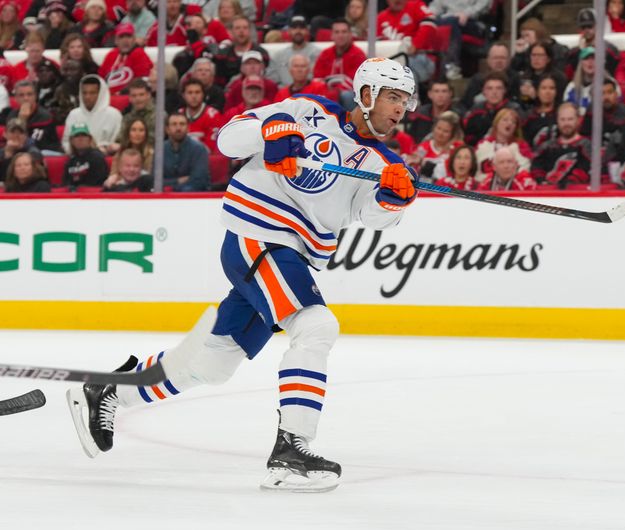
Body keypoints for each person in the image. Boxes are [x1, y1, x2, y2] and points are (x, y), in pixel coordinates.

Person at [67, 57, 420, 493]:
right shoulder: (308, 110)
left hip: (292, 255)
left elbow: (369, 215)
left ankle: (108, 391)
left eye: (405, 100)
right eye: (392, 97)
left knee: (212, 364)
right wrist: (271, 130)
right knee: (315, 325)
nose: (400, 108)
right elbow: (228, 139)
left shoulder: (384, 163)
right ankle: (291, 450)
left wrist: (391, 199)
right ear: (366, 94)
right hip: (258, 234)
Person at [530, 102, 591, 188]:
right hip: (547, 192)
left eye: (570, 119)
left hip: (576, 192)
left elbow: (585, 169)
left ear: (578, 120)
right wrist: (541, 180)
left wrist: (569, 183)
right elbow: (536, 167)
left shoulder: (586, 145)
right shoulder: (546, 146)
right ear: (557, 121)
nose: (566, 123)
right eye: (562, 119)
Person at [312, 18, 367, 109]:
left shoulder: (358, 54)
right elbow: (317, 78)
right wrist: (327, 91)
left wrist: (335, 91)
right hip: (327, 93)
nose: (340, 35)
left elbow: (356, 83)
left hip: (350, 95)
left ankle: (350, 119)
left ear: (350, 34)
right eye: (337, 32)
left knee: (346, 96)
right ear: (332, 35)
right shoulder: (325, 54)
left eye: (344, 32)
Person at [62, 75, 123, 156]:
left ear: (101, 94)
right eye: (84, 93)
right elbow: (66, 142)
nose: (87, 97)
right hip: (78, 157)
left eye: (92, 93)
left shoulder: (114, 114)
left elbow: (118, 142)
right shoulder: (74, 114)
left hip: (105, 157)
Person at [474, 108, 532, 183]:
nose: (509, 123)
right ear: (496, 123)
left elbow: (524, 170)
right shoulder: (483, 145)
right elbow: (477, 171)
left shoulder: (522, 147)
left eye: (513, 122)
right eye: (505, 120)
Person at [6, 80, 62, 154]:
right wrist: (22, 119)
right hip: (18, 153)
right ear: (16, 98)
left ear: (35, 96)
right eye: (21, 95)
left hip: (44, 152)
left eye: (29, 94)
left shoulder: (45, 116)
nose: (26, 98)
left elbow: (44, 144)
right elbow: (14, 141)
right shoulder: (12, 115)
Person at [406, 111, 462, 183]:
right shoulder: (424, 146)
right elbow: (413, 167)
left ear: (452, 134)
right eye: (438, 128)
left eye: (446, 131)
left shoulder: (457, 148)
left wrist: (423, 163)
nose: (440, 133)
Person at [98, 23, 154, 95]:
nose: (125, 40)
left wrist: (120, 92)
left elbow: (141, 81)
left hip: (130, 97)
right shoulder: (111, 55)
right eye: (121, 37)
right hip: (108, 96)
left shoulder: (139, 54)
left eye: (128, 36)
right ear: (116, 40)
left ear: (134, 39)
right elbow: (101, 78)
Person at [265, 15, 321, 87]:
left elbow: (320, 79)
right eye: (294, 28)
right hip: (284, 92)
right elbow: (271, 80)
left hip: (310, 92)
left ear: (307, 31)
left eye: (302, 28)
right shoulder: (278, 56)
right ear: (288, 31)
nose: (298, 31)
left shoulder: (318, 54)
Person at [405, 80, 464, 144]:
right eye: (436, 91)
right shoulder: (420, 115)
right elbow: (411, 139)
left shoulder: (456, 117)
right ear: (429, 94)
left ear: (450, 94)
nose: (440, 95)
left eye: (444, 91)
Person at [162, 112, 210, 191]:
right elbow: (155, 181)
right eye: (174, 124)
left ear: (188, 128)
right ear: (167, 129)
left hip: (193, 196)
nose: (178, 128)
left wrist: (171, 187)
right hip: (165, 196)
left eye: (182, 124)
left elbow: (198, 181)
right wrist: (177, 181)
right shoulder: (160, 150)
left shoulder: (199, 149)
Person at [179, 77, 224, 154]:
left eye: (197, 92)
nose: (194, 96)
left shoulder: (213, 115)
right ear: (183, 95)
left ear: (203, 94)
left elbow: (211, 147)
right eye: (190, 92)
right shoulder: (179, 115)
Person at [63, 123, 110, 191]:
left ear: (90, 139)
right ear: (72, 141)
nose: (80, 138)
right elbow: (66, 183)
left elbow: (98, 182)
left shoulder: (97, 157)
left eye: (84, 135)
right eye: (77, 136)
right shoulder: (70, 161)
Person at [522, 73, 560, 149]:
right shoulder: (529, 117)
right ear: (537, 92)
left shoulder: (561, 114)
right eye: (543, 88)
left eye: (552, 88)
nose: (548, 92)